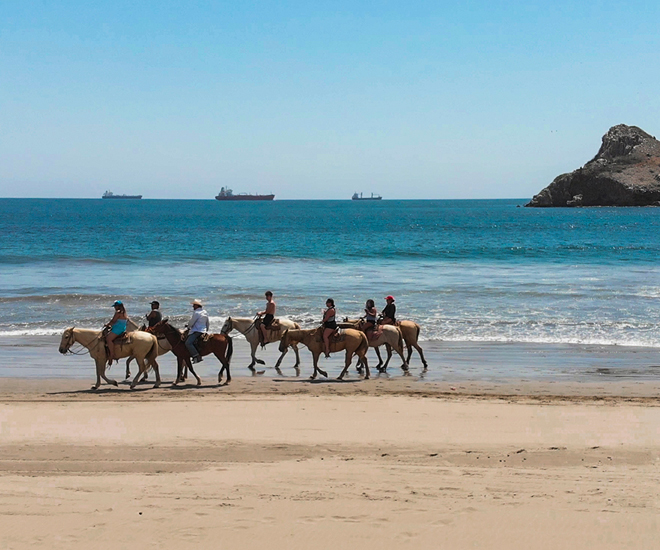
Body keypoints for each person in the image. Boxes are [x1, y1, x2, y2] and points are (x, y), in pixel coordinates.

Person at [185, 299, 209, 363]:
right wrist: (207, 329)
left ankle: (196, 355)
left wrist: (188, 326)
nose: (193, 306)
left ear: (197, 306)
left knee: (188, 343)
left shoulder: (196, 313)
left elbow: (192, 322)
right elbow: (207, 322)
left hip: (197, 330)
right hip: (203, 330)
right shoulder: (205, 312)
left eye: (194, 305)